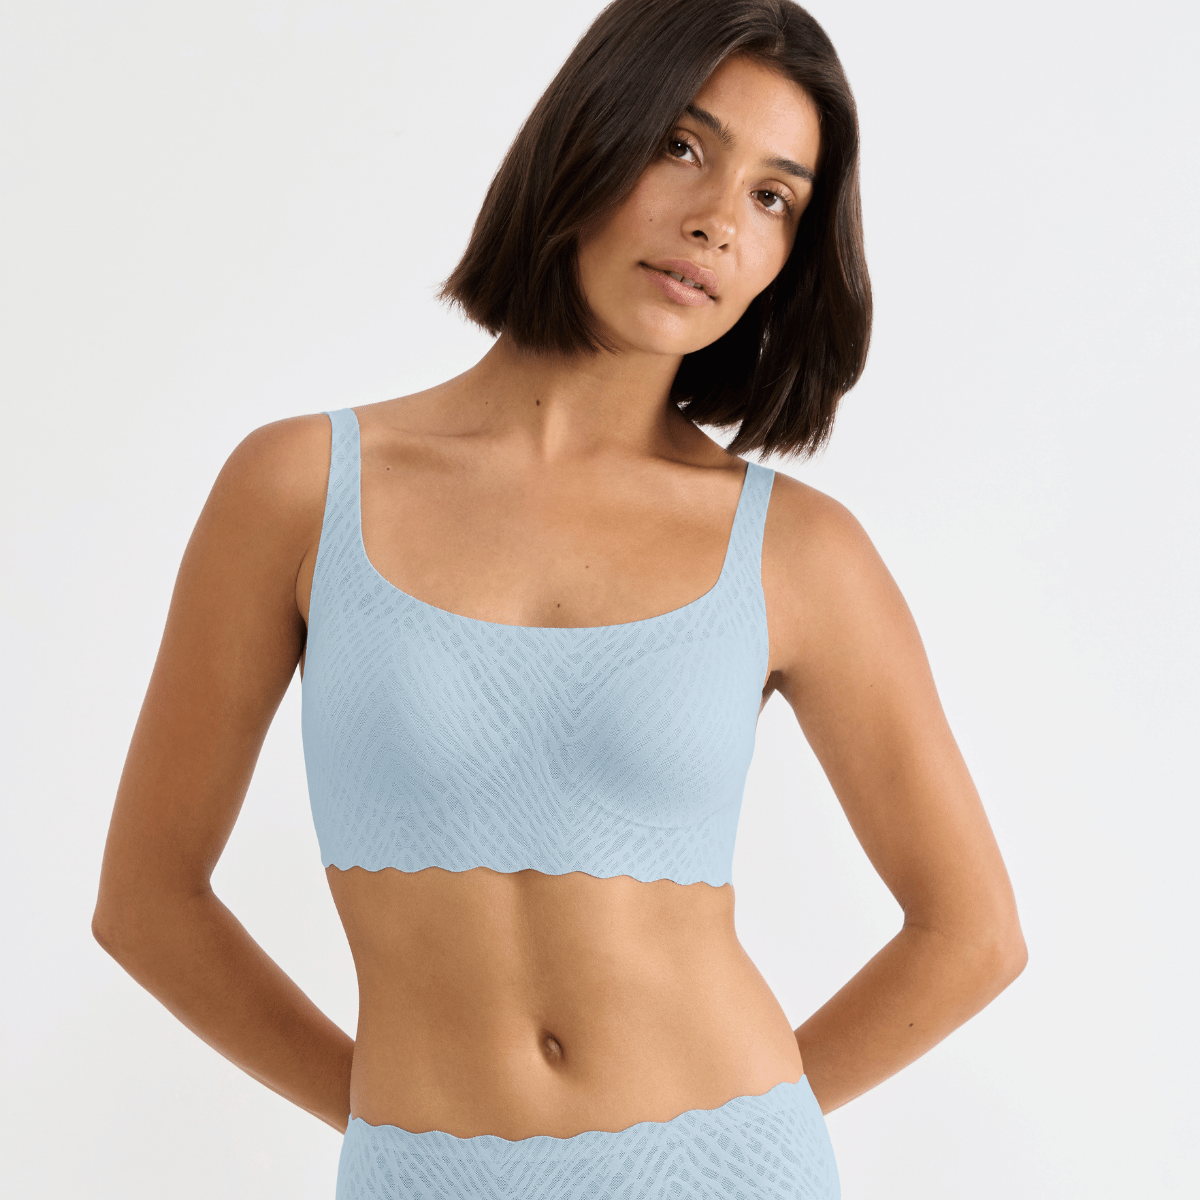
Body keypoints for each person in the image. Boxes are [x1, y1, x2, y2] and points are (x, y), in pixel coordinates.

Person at [92, 0, 1027, 1196]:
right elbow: (147, 901)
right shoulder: (299, 490)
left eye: (772, 197)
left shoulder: (799, 551)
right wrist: (396, 1132)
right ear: (587, 136)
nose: (716, 219)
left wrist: (726, 1137)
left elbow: (972, 933)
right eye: (682, 146)